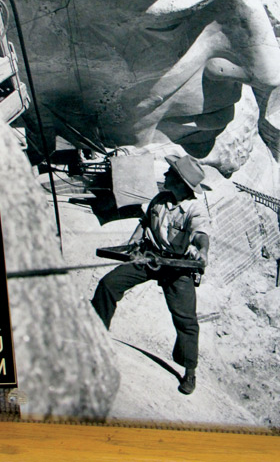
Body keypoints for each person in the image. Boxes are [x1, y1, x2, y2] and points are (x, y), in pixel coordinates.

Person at [91, 154, 210, 395]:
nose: (165, 175)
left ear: (181, 183)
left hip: (177, 266)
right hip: (149, 257)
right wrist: (134, 242)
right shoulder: (160, 199)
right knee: (108, 284)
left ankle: (190, 371)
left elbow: (200, 234)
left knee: (186, 319)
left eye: (170, 173)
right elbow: (146, 221)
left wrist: (202, 251)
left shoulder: (194, 209)